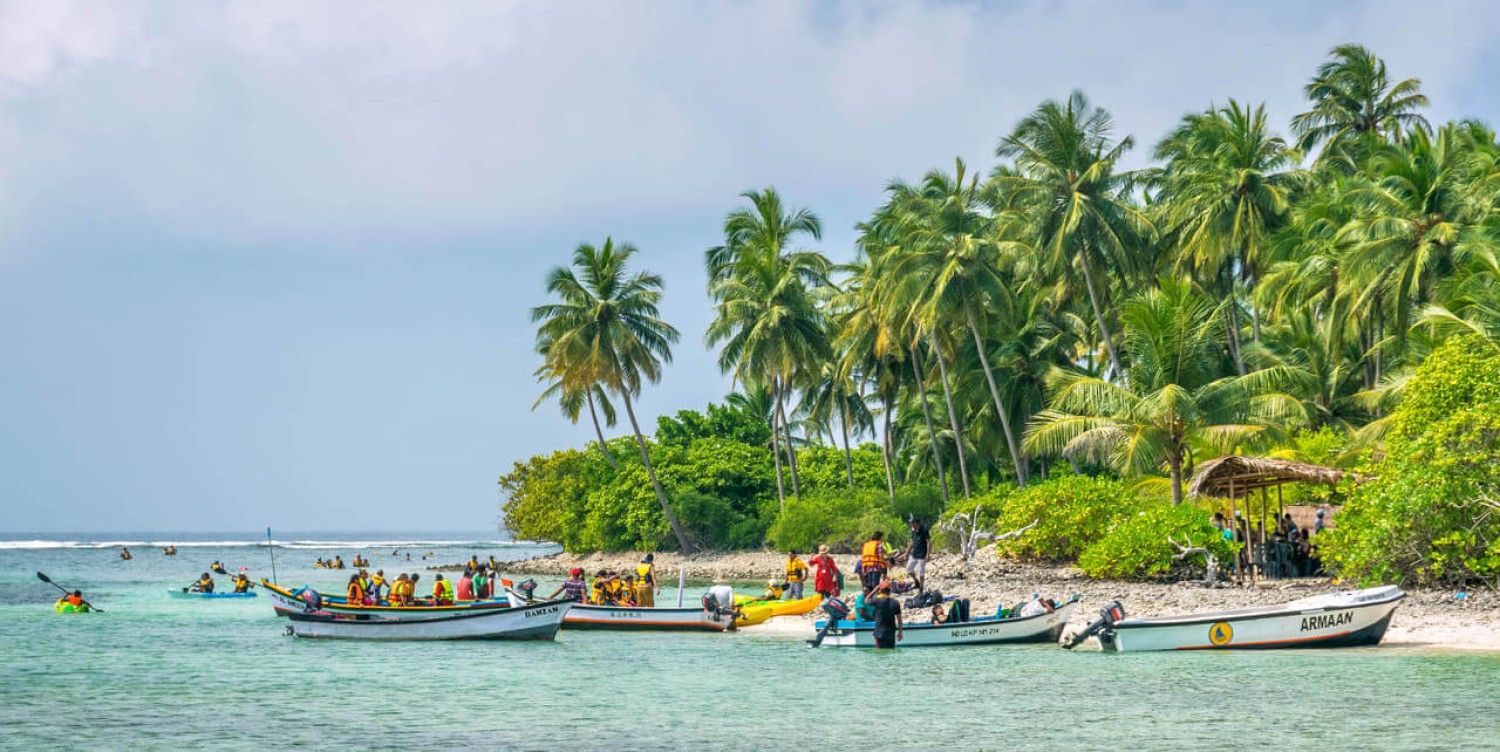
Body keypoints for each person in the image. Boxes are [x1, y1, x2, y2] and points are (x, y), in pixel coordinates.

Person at [868, 581, 903, 648]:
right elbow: (899, 620)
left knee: (880, 653)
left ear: (880, 590)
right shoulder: (896, 603)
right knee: (890, 652)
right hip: (891, 632)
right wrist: (900, 633)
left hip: (879, 632)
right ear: (890, 590)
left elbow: (866, 600)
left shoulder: (877, 601)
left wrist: (874, 591)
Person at [904, 517, 931, 592]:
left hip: (922, 554)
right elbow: (912, 542)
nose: (911, 525)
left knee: (921, 571)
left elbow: (928, 542)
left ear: (917, 523)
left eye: (913, 523)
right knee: (909, 569)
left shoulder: (924, 530)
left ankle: (921, 588)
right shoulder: (913, 531)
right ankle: (916, 582)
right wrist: (907, 553)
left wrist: (928, 554)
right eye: (911, 523)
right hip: (914, 553)